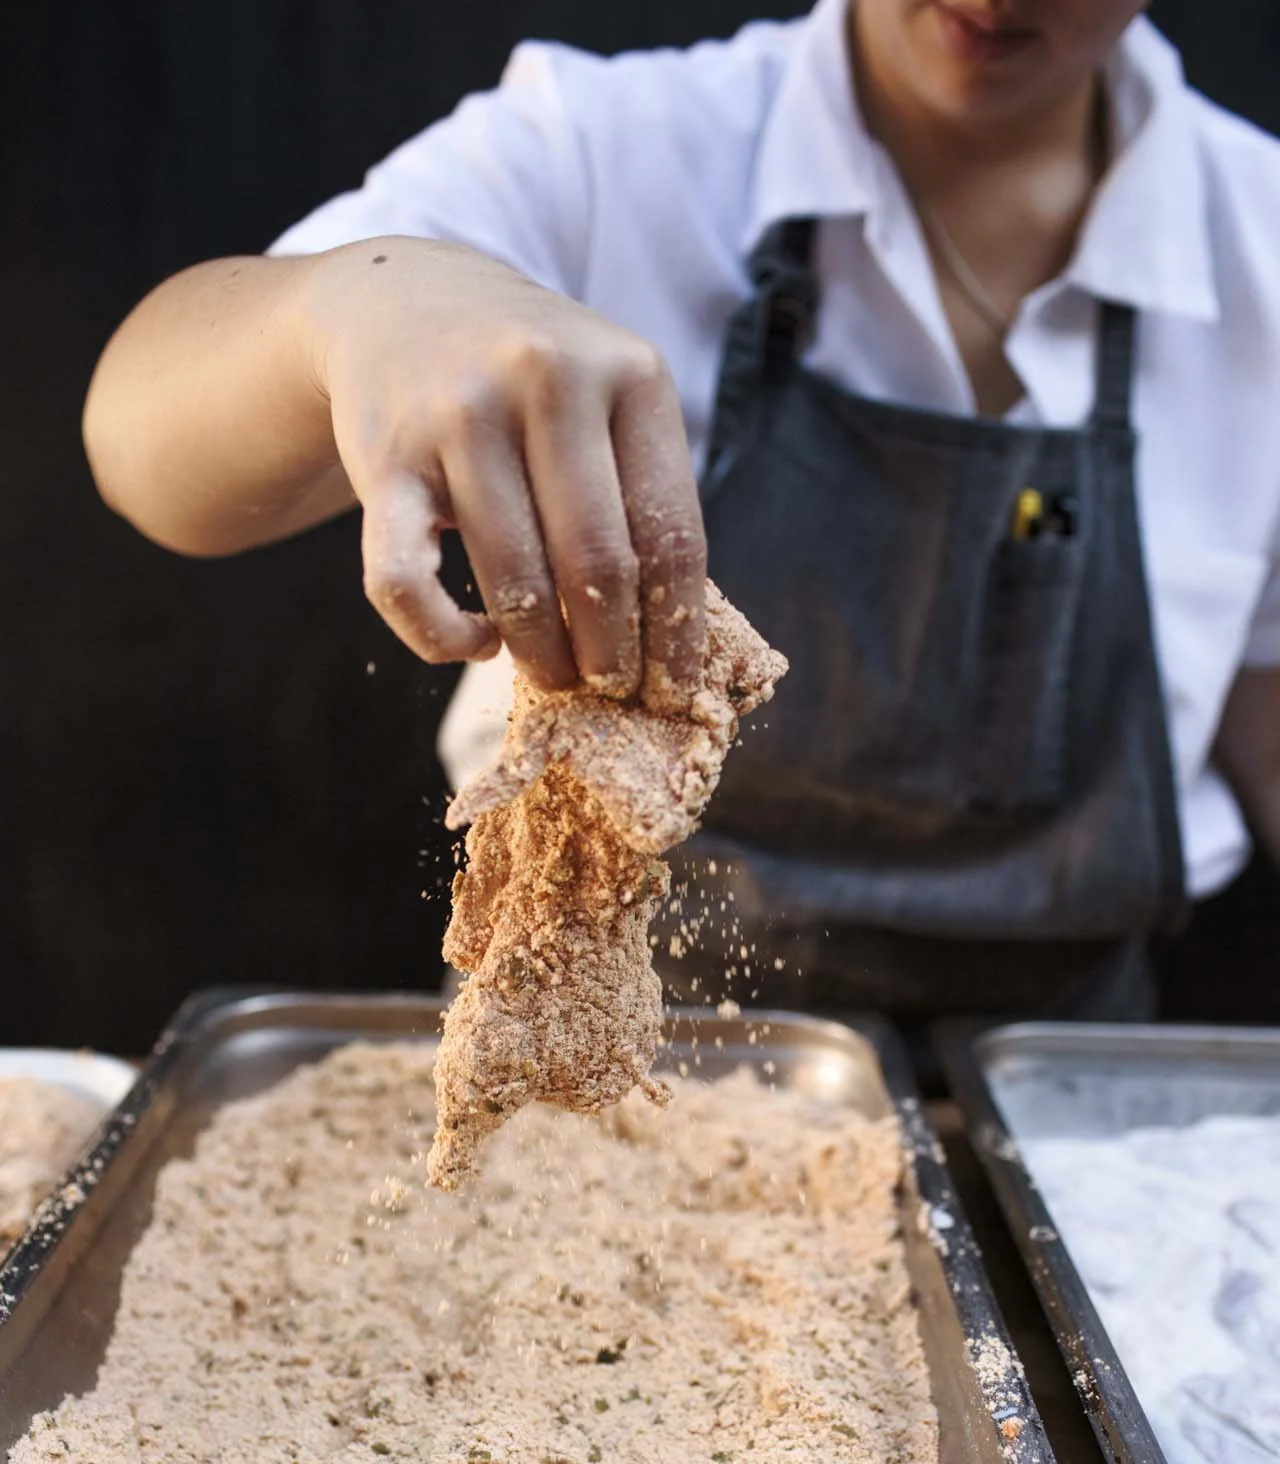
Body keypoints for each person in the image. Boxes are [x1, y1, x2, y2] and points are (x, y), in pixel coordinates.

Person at [83, 0, 1280, 1020]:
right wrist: (349, 308)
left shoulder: (1255, 237)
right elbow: (140, 444)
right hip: (601, 1015)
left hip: (1058, 1076)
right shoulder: (603, 153)